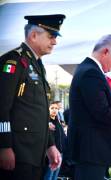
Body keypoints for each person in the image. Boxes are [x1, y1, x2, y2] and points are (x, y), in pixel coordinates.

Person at [0, 14, 65, 180]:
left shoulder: (37, 66)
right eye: (51, 36)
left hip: (35, 155)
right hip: (18, 153)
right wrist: (4, 146)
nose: (55, 42)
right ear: (34, 36)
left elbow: (40, 113)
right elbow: (2, 106)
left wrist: (50, 145)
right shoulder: (14, 61)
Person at [67, 34, 111, 180]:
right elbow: (101, 112)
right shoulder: (91, 73)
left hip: (92, 151)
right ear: (105, 52)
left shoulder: (88, 70)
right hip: (91, 151)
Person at [44, 101, 67, 180]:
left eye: (56, 108)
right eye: (52, 108)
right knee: (48, 176)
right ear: (48, 109)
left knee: (55, 177)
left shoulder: (58, 122)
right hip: (51, 154)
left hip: (60, 153)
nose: (54, 110)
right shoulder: (46, 123)